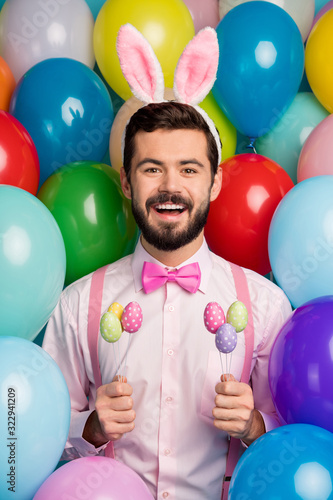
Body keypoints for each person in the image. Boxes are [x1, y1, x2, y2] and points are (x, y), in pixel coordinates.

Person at [42, 24, 292, 500]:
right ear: (126, 182)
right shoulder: (78, 307)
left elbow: (299, 439)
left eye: (189, 169)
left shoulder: (264, 306)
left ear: (215, 183)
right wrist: (89, 429)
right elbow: (23, 444)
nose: (170, 187)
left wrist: (256, 425)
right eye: (152, 168)